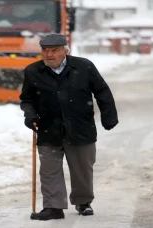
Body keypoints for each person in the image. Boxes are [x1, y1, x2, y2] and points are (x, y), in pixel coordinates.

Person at [19, 33, 118, 221]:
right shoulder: (33, 71)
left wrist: (109, 116)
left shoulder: (84, 66)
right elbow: (27, 99)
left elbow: (102, 91)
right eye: (45, 50)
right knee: (49, 170)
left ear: (65, 50)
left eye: (54, 50)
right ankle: (53, 207)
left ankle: (83, 202)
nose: (49, 55)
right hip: (48, 128)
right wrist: (30, 115)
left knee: (82, 168)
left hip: (80, 127)